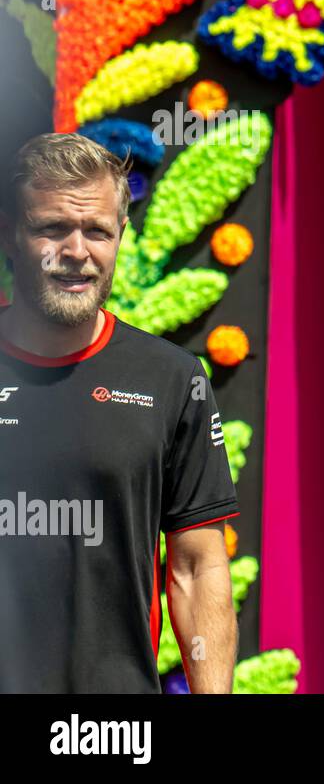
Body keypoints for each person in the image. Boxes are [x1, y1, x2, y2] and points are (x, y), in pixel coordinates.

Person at [0, 133, 239, 692]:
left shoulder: (173, 379)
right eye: (52, 228)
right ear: (11, 234)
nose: (76, 250)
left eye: (97, 231)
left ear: (120, 236)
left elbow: (198, 570)